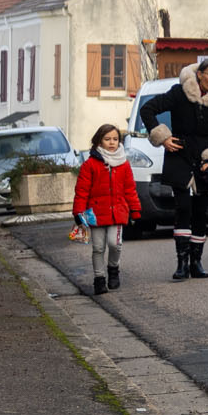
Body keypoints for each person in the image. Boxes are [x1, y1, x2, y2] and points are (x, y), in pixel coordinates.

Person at [140, 58, 208, 282]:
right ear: (199, 74)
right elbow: (148, 109)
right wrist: (163, 138)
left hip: (205, 158)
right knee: (183, 207)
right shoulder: (179, 92)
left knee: (201, 210)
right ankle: (181, 263)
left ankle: (196, 262)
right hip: (180, 154)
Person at [72, 124, 141, 296]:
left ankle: (113, 269)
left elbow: (130, 189)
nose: (112, 142)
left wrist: (135, 209)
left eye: (115, 139)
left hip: (117, 213)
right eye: (107, 139)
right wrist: (78, 213)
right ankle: (99, 279)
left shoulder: (123, 164)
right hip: (95, 214)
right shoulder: (90, 165)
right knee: (98, 248)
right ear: (99, 141)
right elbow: (81, 191)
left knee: (115, 244)